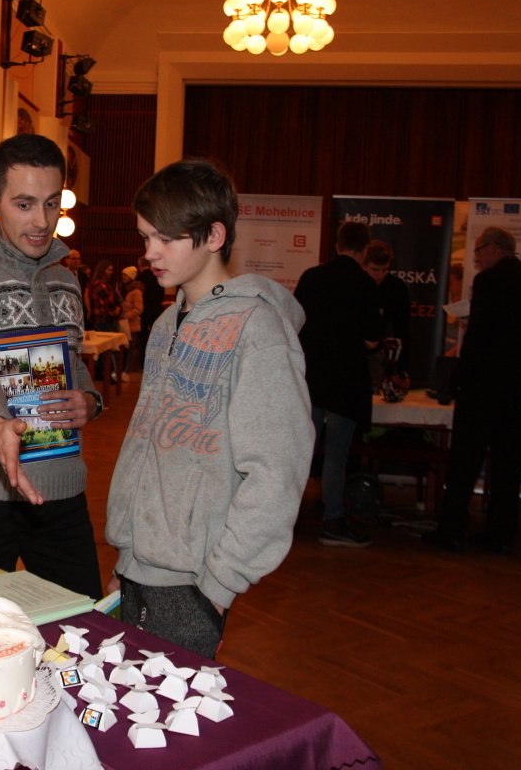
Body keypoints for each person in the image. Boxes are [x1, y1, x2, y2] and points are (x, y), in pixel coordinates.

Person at [105, 159, 312, 657]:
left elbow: (277, 471)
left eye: (165, 238)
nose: (149, 252)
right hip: (137, 569)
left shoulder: (258, 329)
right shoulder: (164, 325)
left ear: (214, 236)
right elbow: (146, 445)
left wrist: (220, 584)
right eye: (145, 237)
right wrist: (125, 559)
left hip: (196, 583)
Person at [0, 133, 104, 600]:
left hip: (59, 487)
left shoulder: (66, 280)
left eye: (51, 204)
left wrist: (90, 401)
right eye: (24, 204)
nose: (41, 221)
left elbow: (74, 364)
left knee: (79, 622)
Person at [426, 227, 521, 555]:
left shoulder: (488, 282)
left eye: (479, 250)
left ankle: (453, 530)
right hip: (518, 386)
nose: (477, 257)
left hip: (483, 385)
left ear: (495, 248)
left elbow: (479, 338)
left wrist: (457, 379)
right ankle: (501, 535)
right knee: (508, 463)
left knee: (465, 460)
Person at [294, 220, 382, 548]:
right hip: (346, 381)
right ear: (365, 249)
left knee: (302, 452)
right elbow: (372, 340)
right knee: (336, 454)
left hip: (311, 377)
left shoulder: (311, 277)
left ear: (337, 245)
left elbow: (294, 324)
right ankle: (332, 520)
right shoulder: (365, 283)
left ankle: (286, 519)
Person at [363, 239, 412, 394]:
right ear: (363, 265)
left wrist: (401, 370)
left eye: (385, 270)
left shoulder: (396, 287)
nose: (380, 275)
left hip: (381, 355)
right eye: (375, 270)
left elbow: (403, 329)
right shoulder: (355, 285)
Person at [119, 265, 143, 375]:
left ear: (131, 277)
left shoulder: (136, 291)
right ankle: (120, 369)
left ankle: (127, 370)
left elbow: (139, 309)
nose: (123, 277)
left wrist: (126, 315)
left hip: (132, 325)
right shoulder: (122, 289)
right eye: (123, 275)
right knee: (122, 348)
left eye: (126, 275)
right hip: (122, 324)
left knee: (130, 349)